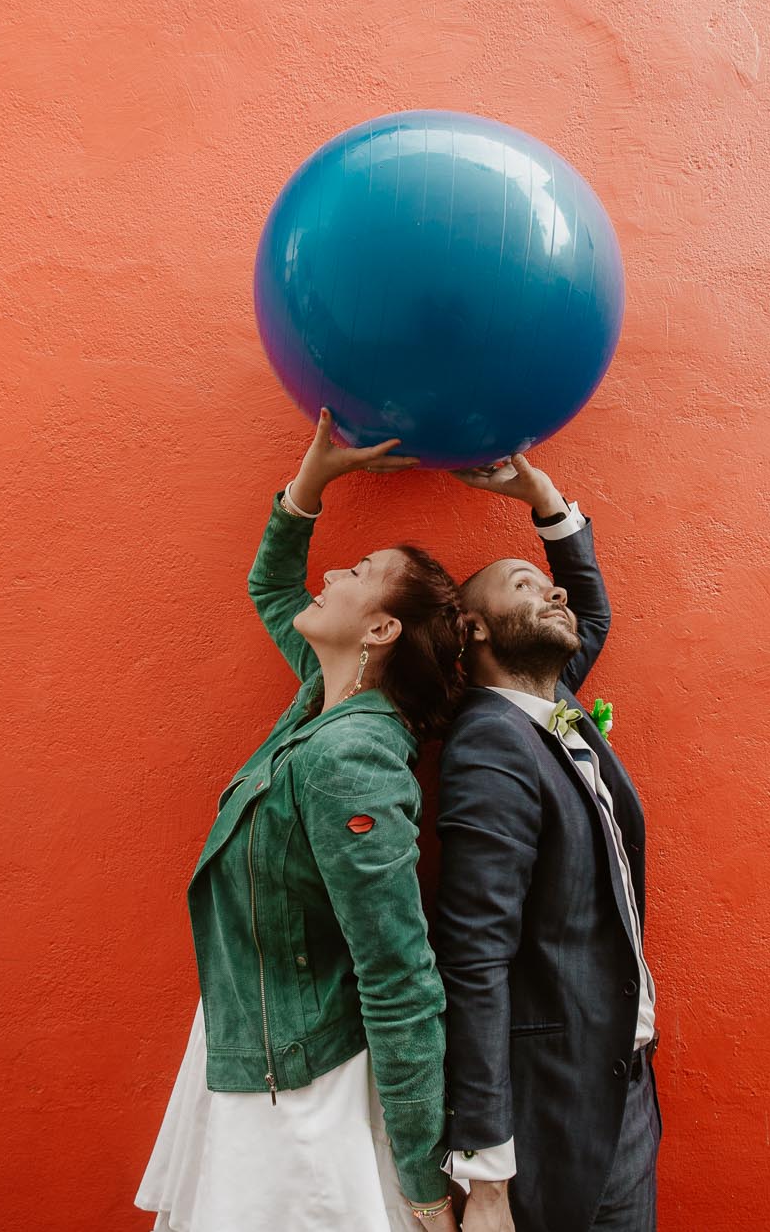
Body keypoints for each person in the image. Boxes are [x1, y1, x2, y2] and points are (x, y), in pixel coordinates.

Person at [136, 411, 466, 1231]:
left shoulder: (350, 755)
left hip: (302, 1088)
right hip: (258, 1041)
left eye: (356, 570)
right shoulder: (323, 698)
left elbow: (399, 974)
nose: (332, 577)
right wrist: (311, 483)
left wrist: (426, 1182)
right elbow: (273, 587)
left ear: (381, 629)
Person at [434, 455, 661, 1232]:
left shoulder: (548, 701)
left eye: (548, 581)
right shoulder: (491, 745)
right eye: (523, 586)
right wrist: (488, 1171)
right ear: (475, 628)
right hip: (550, 1116)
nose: (553, 589)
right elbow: (475, 955)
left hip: (622, 1089)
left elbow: (587, 609)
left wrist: (541, 497)